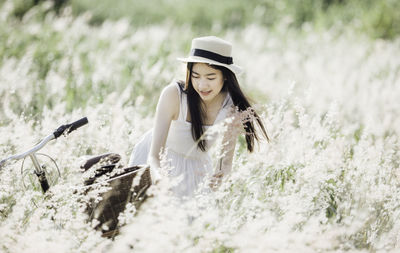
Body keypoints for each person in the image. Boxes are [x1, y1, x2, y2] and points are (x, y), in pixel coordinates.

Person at [128, 36, 269, 199]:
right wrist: (160, 179)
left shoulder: (231, 107)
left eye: (210, 78)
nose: (202, 85)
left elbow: (226, 165)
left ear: (225, 76)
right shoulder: (174, 95)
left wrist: (221, 176)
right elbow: (153, 156)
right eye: (195, 76)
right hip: (159, 164)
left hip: (197, 169)